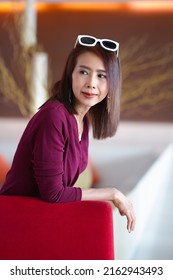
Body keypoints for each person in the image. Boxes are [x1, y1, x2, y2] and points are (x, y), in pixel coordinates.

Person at [0, 35, 135, 233]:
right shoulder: (54, 117)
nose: (91, 83)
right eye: (83, 72)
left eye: (101, 75)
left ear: (112, 83)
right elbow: (53, 193)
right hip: (15, 221)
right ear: (70, 75)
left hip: (43, 219)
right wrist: (112, 193)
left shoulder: (83, 120)